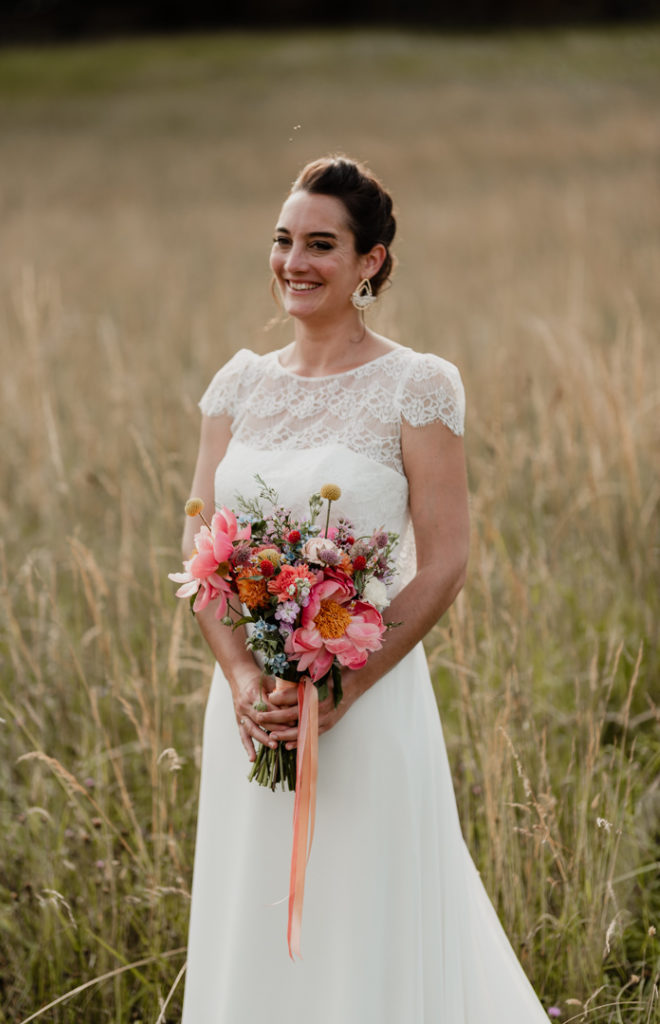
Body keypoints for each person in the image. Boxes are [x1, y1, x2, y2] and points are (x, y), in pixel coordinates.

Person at [179, 156, 549, 1022]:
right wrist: (242, 682)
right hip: (251, 713)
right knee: (255, 919)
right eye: (282, 241)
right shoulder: (236, 386)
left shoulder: (417, 384)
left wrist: (342, 684)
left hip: (367, 697)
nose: (293, 263)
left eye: (320, 244)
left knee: (364, 917)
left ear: (370, 261)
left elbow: (447, 558)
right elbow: (201, 555)